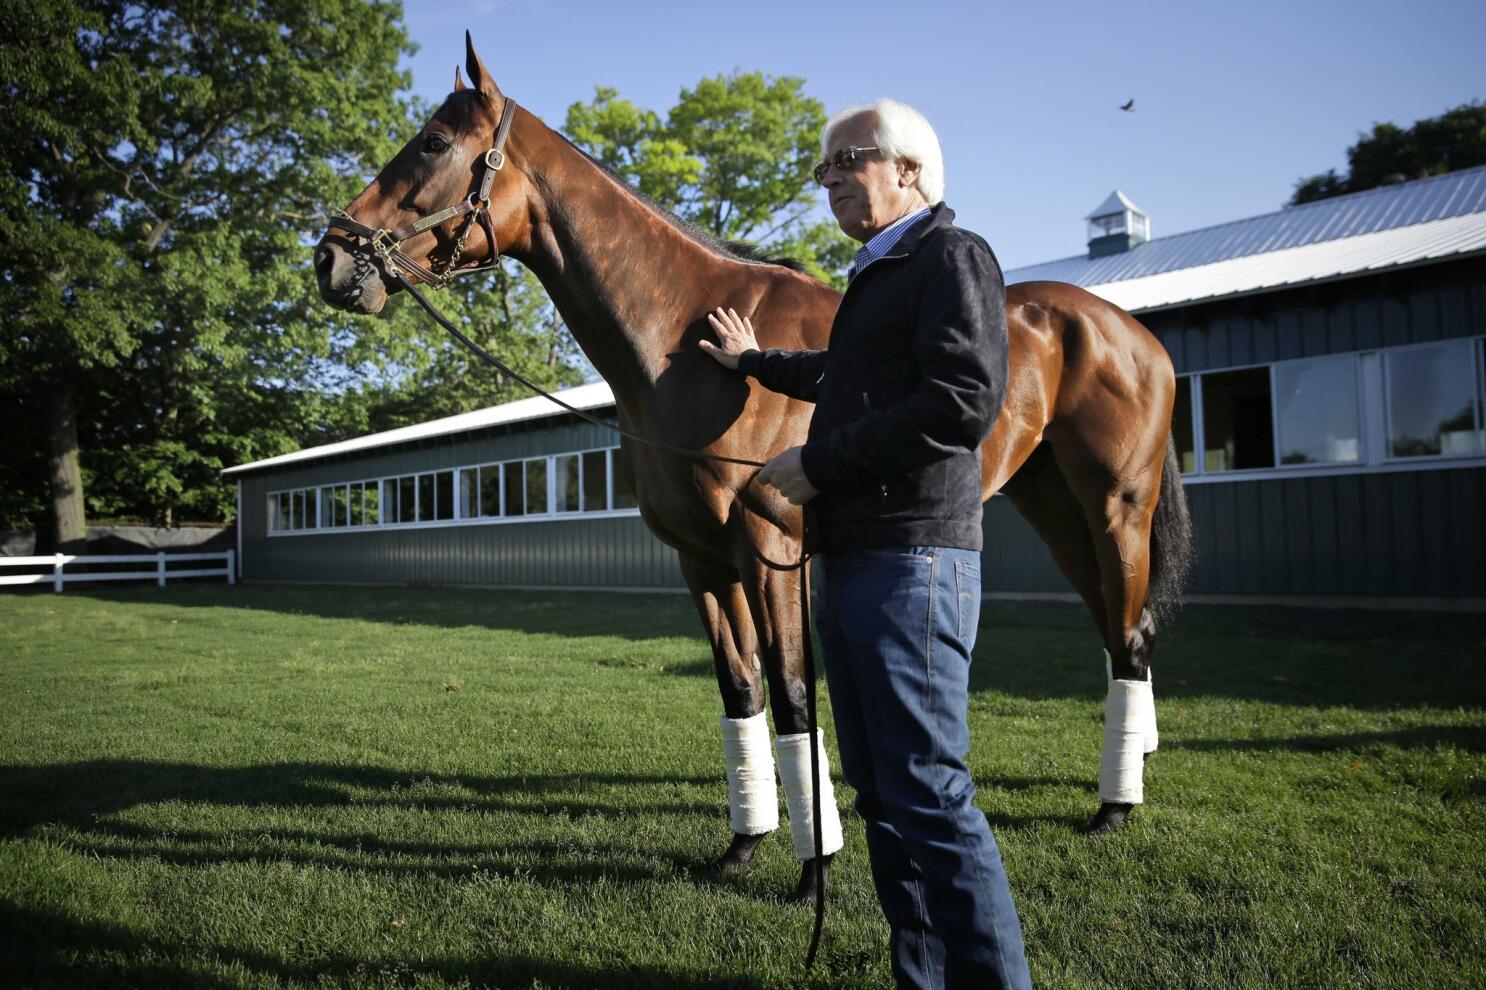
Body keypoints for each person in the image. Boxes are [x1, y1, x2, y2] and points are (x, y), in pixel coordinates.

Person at [699, 99, 1033, 990]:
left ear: (910, 170)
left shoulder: (951, 258)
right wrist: (756, 363)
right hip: (855, 563)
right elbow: (842, 376)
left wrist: (822, 462)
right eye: (825, 168)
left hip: (914, 560)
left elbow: (963, 400)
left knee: (928, 794)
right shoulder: (875, 278)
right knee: (883, 801)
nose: (831, 180)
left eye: (847, 159)